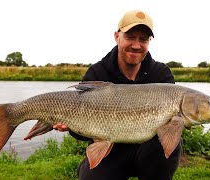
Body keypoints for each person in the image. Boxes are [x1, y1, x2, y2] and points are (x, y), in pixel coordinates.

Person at [54, 10, 181, 180]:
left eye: (143, 39)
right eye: (130, 37)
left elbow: (170, 129)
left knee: (170, 143)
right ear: (117, 36)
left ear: (149, 42)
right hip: (109, 150)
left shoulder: (161, 74)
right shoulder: (98, 72)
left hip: (148, 151)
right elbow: (82, 134)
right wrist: (71, 125)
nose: (136, 45)